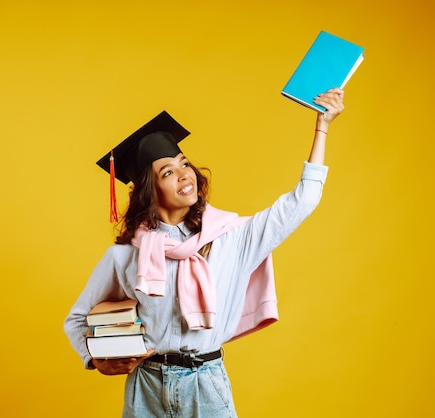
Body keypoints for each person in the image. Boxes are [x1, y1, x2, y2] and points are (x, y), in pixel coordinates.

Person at [64, 88, 345, 417]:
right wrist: (96, 359)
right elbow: (77, 320)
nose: (184, 174)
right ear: (148, 190)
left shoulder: (232, 238)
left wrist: (322, 126)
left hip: (205, 385)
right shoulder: (127, 254)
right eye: (167, 172)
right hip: (146, 387)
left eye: (184, 164)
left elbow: (304, 200)